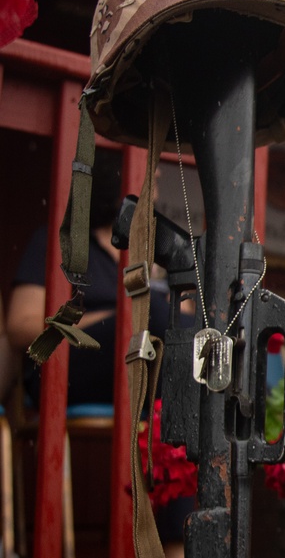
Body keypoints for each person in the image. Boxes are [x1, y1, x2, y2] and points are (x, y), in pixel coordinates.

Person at [6, 146, 171, 407]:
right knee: (154, 315)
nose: (158, 172)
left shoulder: (154, 253)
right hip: (68, 369)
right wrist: (115, 321)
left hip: (140, 370)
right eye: (147, 166)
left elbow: (182, 315)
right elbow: (21, 325)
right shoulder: (59, 243)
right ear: (116, 176)